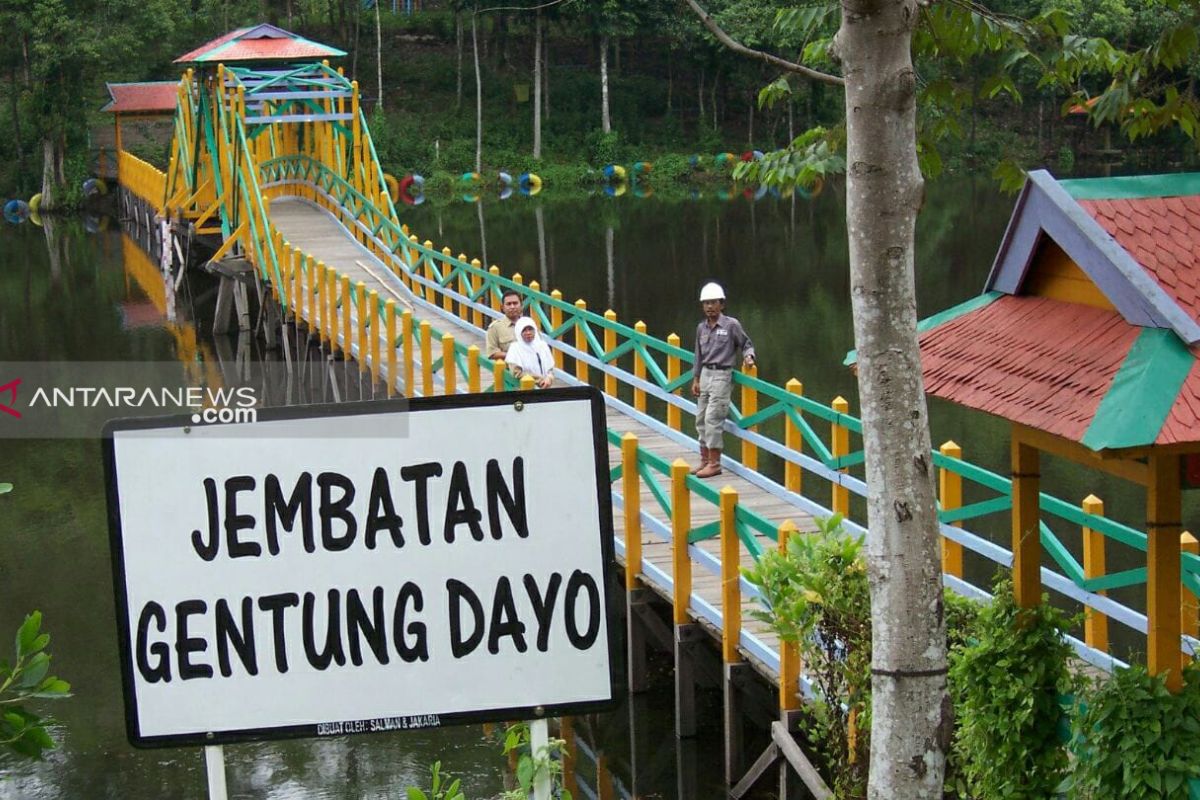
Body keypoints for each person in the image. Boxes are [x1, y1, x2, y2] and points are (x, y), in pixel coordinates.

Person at [690, 282, 755, 478]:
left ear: (722, 304)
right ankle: (704, 459)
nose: (709, 307)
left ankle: (715, 463)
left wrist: (749, 356)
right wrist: (696, 378)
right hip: (705, 374)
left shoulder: (731, 325)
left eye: (713, 303)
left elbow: (746, 343)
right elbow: (698, 355)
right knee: (700, 418)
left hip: (721, 374)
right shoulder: (701, 328)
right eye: (706, 303)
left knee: (713, 418)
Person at [505, 317, 555, 388]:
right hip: (524, 387)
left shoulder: (542, 345)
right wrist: (540, 380)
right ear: (519, 332)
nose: (528, 333)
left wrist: (549, 378)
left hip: (545, 385)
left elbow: (550, 369)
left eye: (530, 329)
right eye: (524, 330)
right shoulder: (515, 348)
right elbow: (517, 372)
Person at [486, 289, 523, 359]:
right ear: (502, 307)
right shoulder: (495, 327)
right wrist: (515, 355)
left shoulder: (529, 324)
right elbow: (492, 353)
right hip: (508, 367)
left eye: (515, 303)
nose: (512, 307)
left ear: (521, 305)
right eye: (508, 304)